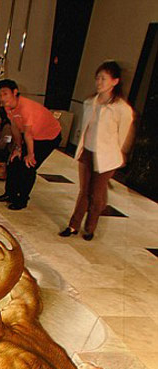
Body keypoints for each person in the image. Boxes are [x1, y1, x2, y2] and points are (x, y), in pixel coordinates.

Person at [59, 61, 134, 241]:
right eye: (97, 78)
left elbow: (122, 135)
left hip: (107, 156)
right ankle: (73, 225)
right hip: (87, 152)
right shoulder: (89, 102)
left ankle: (90, 228)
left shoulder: (121, 108)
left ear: (115, 81)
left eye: (103, 79)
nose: (99, 82)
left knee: (96, 194)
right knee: (84, 191)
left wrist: (116, 154)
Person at [0, 79, 62, 210]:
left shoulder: (26, 108)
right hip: (31, 135)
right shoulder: (8, 107)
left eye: (5, 94)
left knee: (28, 166)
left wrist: (30, 154)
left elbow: (28, 134)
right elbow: (15, 127)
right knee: (14, 161)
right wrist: (18, 148)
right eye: (0, 95)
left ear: (15, 92)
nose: (2, 98)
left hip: (48, 137)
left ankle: (22, 199)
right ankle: (10, 194)